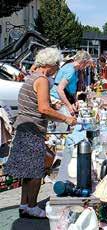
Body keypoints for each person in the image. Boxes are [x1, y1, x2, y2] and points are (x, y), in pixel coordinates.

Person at [4, 48, 77, 218]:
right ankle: (32, 206)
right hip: (32, 130)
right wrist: (65, 119)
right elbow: (43, 108)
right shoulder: (43, 79)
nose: (58, 68)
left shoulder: (33, 77)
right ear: (50, 64)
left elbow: (40, 103)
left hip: (24, 127)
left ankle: (24, 205)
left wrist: (54, 106)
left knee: (27, 171)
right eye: (57, 65)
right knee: (36, 171)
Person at [50, 50, 92, 115]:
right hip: (57, 100)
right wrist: (69, 106)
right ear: (83, 62)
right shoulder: (71, 70)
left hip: (62, 99)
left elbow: (71, 89)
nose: (86, 67)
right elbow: (60, 89)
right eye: (87, 65)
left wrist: (75, 101)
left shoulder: (74, 69)